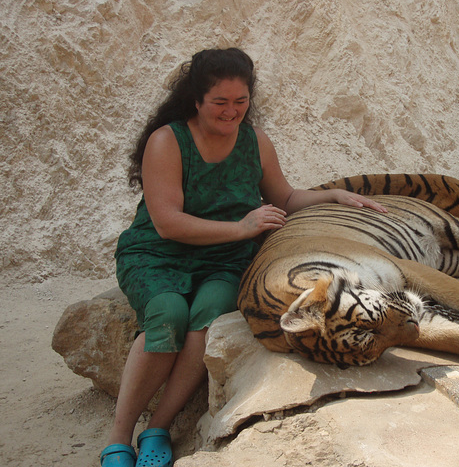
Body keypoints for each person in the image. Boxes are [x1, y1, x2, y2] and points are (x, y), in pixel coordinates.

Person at [100, 47, 387, 467]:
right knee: (167, 315)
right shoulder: (168, 141)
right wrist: (242, 228)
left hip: (224, 259)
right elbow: (168, 223)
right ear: (196, 100)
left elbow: (284, 197)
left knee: (208, 318)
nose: (231, 112)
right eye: (220, 102)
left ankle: (158, 428)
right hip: (158, 253)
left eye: (241, 102)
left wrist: (334, 194)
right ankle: (118, 438)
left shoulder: (255, 141)